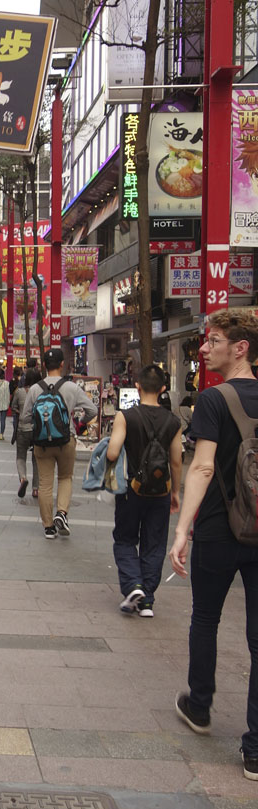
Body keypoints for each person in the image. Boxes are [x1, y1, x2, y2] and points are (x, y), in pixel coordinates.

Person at [168, 310, 258, 781]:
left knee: (206, 617)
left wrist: (182, 529)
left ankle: (199, 707)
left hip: (220, 530)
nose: (204, 349)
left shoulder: (213, 399)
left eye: (214, 341)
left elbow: (201, 467)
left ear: (240, 348)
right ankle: (256, 748)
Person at [106, 364, 182, 617]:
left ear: (137, 386)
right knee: (154, 543)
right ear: (162, 389)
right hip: (161, 491)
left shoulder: (125, 416)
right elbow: (176, 461)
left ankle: (133, 585)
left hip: (131, 490)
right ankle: (147, 600)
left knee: (126, 538)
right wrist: (175, 493)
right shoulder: (173, 421)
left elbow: (113, 452)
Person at [21, 347, 98, 539]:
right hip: (66, 440)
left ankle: (48, 527)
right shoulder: (72, 387)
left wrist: (40, 425)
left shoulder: (35, 389)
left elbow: (25, 417)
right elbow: (92, 410)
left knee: (45, 484)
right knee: (65, 478)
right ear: (63, 364)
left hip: (41, 443)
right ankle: (61, 513)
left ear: (44, 366)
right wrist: (78, 423)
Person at [12, 366, 41, 500]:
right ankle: (36, 489)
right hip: (37, 430)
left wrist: (22, 413)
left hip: (23, 429)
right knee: (36, 460)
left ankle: (23, 478)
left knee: (21, 456)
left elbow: (13, 407)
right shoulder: (43, 391)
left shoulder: (20, 392)